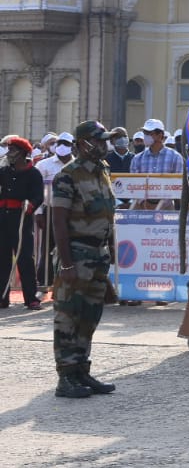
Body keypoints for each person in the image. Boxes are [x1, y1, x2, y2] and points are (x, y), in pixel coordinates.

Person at [49, 121, 117, 399]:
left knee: (90, 316)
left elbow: (108, 217)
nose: (103, 145)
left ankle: (81, 370)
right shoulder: (67, 176)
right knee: (68, 316)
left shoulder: (103, 171)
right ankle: (66, 376)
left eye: (104, 140)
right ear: (82, 144)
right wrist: (66, 264)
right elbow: (59, 224)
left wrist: (109, 254)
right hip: (76, 254)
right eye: (97, 140)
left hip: (98, 255)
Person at [1, 137, 45, 309]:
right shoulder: (4, 171)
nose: (9, 154)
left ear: (23, 153)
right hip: (3, 219)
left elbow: (38, 196)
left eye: (13, 150)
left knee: (25, 259)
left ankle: (31, 298)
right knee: (2, 259)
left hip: (21, 221)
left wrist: (30, 205)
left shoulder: (33, 173)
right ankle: (2, 297)